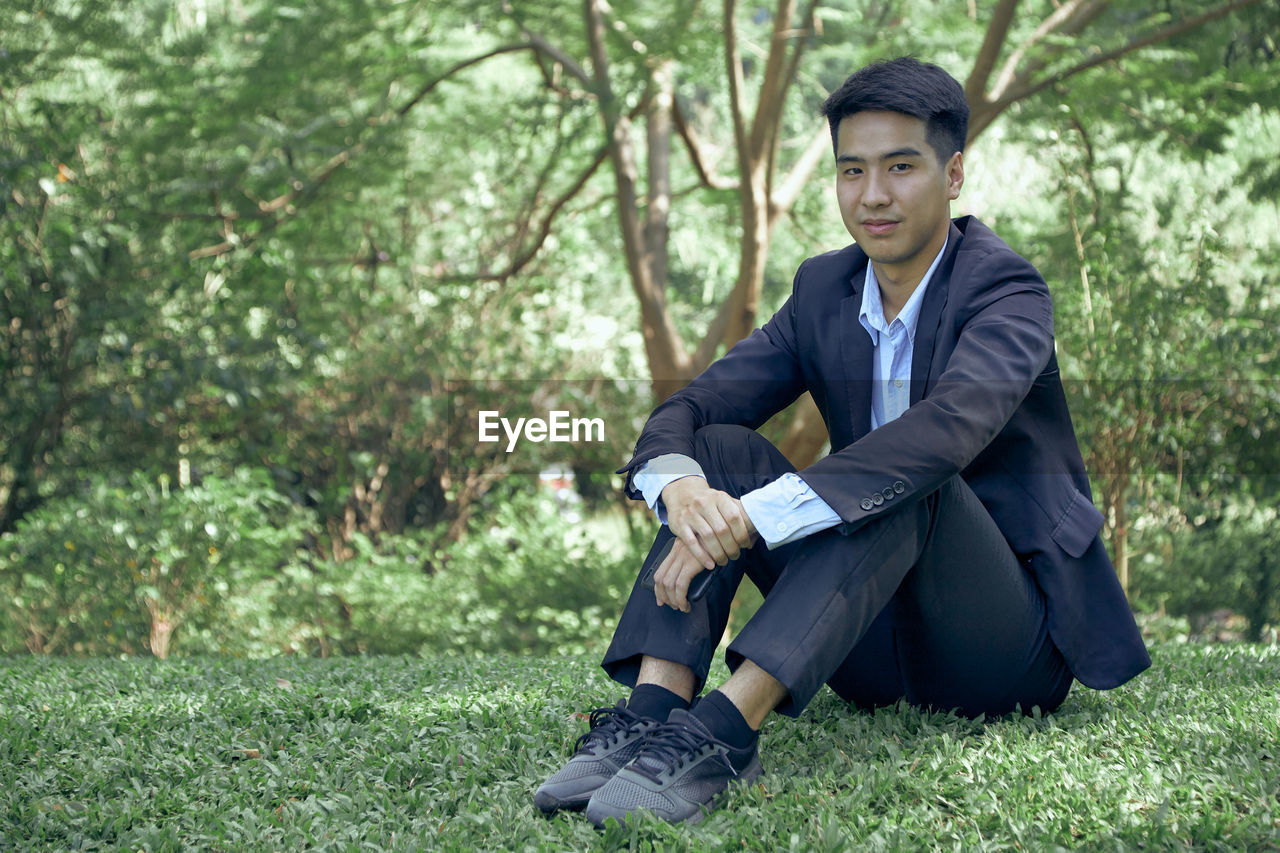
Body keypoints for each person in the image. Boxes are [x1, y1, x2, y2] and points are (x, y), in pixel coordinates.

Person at [534, 56, 1150, 828]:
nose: (873, 195)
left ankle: (723, 735)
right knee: (715, 448)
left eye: (901, 167)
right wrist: (681, 489)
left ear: (953, 174)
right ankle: (654, 712)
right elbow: (695, 403)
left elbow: (947, 432)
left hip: (1002, 644)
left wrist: (756, 518)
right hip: (863, 635)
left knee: (906, 471)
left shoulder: (1008, 291)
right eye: (852, 170)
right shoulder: (823, 287)